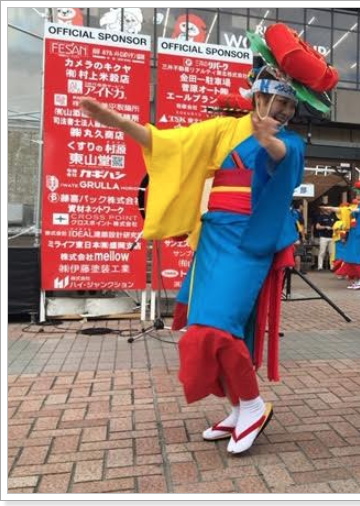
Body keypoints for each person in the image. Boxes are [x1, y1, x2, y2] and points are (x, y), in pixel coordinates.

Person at [79, 22, 338, 454]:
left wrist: (268, 139)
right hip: (214, 235)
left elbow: (283, 158)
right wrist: (119, 121)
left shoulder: (288, 141)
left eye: (288, 109)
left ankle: (253, 405)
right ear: (256, 95)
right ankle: (238, 406)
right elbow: (169, 145)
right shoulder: (222, 131)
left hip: (249, 240)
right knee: (201, 328)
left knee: (215, 329)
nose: (279, 113)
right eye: (273, 102)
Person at [324, 181, 360, 289]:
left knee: (356, 257)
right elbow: (348, 210)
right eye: (357, 195)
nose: (358, 197)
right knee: (352, 257)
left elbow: (350, 210)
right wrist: (333, 209)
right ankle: (359, 279)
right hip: (354, 234)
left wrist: (333, 208)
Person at [314, 206, 335, 270]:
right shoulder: (321, 217)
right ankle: (320, 266)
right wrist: (325, 227)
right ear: (326, 210)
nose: (330, 210)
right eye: (329, 209)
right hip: (323, 237)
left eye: (330, 209)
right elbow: (317, 227)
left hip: (332, 237)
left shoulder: (333, 217)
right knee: (322, 252)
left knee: (332, 252)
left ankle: (332, 266)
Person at [292, 200, 307, 273]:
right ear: (300, 206)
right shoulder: (299, 215)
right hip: (296, 236)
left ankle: (290, 269)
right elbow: (302, 227)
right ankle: (297, 270)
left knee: (290, 252)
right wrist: (303, 237)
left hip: (289, 236)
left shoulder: (290, 213)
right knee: (297, 253)